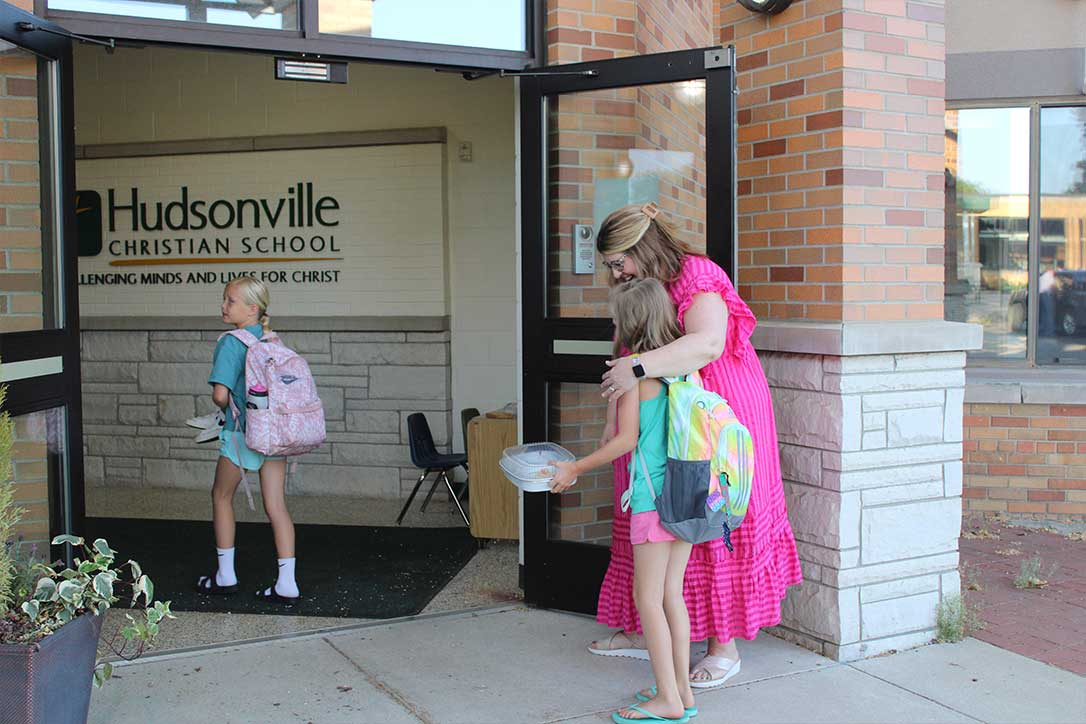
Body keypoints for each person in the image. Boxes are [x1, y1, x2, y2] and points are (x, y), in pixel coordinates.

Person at [588, 202, 802, 688]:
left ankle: (722, 647)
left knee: (703, 517)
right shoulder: (638, 287)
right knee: (648, 520)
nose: (615, 272)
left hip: (710, 417)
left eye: (619, 260)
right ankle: (650, 630)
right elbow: (625, 354)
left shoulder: (697, 275)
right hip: (658, 416)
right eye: (609, 264)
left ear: (643, 246)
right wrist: (612, 416)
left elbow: (707, 343)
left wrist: (638, 370)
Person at [550, 278, 696, 724]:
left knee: (647, 598)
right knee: (672, 594)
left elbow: (626, 440)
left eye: (617, 318)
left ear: (631, 324)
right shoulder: (684, 367)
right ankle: (682, 692)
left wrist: (575, 466)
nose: (613, 324)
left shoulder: (637, 373)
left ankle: (668, 701)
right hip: (688, 493)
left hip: (653, 498)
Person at [194, 276, 301, 604]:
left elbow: (221, 396)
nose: (224, 306)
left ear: (252, 308)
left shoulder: (231, 342)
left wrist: (226, 401)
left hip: (242, 434)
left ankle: (226, 575)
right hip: (274, 433)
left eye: (230, 301)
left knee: (221, 496)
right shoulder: (271, 339)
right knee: (276, 506)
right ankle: (287, 583)